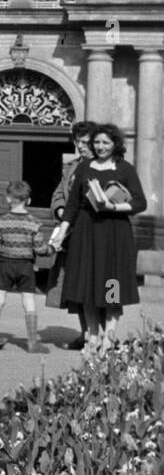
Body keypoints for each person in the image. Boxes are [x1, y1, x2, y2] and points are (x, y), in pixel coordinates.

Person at [51, 123, 148, 342]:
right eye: (97, 142)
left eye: (105, 142)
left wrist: (113, 207)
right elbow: (73, 204)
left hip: (115, 234)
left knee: (111, 283)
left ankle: (109, 336)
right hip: (86, 233)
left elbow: (140, 202)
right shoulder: (84, 167)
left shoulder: (125, 169)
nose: (100, 146)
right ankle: (92, 335)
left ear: (115, 144)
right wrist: (61, 232)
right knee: (86, 283)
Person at [0, 179, 49, 353]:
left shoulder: (1, 223)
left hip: (5, 264)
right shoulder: (34, 223)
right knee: (28, 300)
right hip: (25, 266)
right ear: (29, 200)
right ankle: (31, 342)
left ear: (8, 199)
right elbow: (39, 248)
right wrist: (50, 249)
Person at [47, 121, 94, 349]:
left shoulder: (108, 167)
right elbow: (58, 194)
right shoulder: (72, 167)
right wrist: (60, 210)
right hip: (72, 237)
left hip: (97, 237)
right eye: (78, 142)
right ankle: (86, 334)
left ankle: (104, 336)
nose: (81, 146)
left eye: (86, 142)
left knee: (105, 288)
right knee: (76, 288)